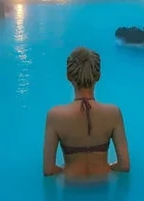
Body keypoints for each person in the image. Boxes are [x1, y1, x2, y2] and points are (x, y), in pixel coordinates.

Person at [43, 47, 130, 178]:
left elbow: (49, 170)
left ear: (68, 76)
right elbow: (124, 166)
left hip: (71, 187)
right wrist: (105, 168)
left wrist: (69, 172)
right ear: (98, 76)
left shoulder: (55, 115)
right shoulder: (113, 113)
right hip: (103, 185)